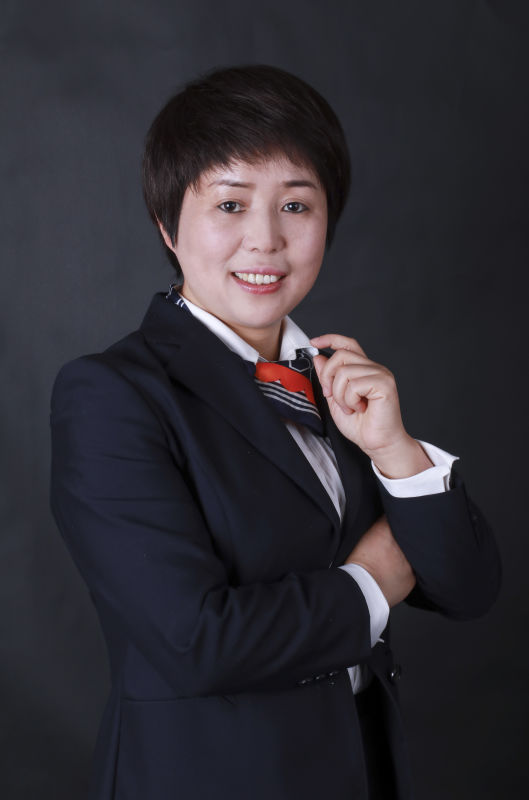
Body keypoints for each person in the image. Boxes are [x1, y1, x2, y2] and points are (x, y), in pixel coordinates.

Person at [49, 64, 501, 800]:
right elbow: (197, 642)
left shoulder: (333, 382)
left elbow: (469, 588)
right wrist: (376, 578)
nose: (264, 240)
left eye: (296, 205)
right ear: (167, 224)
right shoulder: (111, 395)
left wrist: (394, 450)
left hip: (360, 772)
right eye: (229, 204)